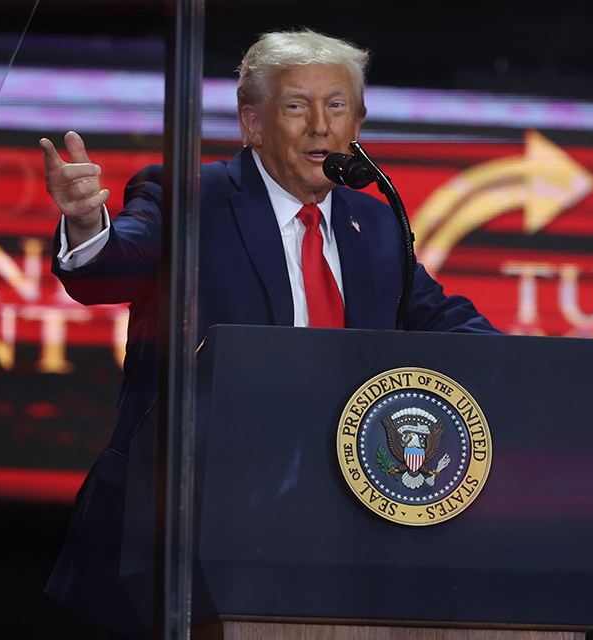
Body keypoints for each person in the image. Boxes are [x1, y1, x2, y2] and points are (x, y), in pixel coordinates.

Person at [39, 28, 499, 635]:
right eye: (295, 106)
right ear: (252, 122)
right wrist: (84, 222)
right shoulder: (186, 197)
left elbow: (437, 315)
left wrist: (522, 368)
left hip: (334, 532)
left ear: (357, 122)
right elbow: (110, 265)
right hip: (178, 532)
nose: (320, 126)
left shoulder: (375, 224)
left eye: (337, 106)